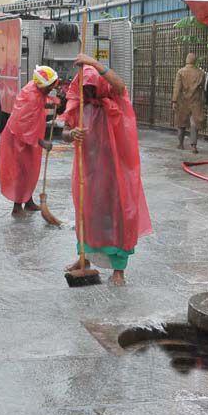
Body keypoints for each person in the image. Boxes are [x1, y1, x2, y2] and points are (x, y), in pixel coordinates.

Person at [52, 55, 152, 286]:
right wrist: (71, 135)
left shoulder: (114, 98)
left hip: (117, 171)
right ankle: (83, 258)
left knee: (119, 215)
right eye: (83, 88)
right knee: (86, 212)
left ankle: (119, 269)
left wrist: (93, 63)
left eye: (89, 87)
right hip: (88, 170)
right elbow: (65, 133)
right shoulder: (77, 105)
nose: (86, 92)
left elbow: (120, 84)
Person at [0, 65, 59, 216]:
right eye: (50, 87)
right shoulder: (31, 97)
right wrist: (43, 143)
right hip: (18, 140)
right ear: (42, 86)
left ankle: (29, 201)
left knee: (31, 170)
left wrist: (52, 102)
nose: (52, 88)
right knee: (22, 172)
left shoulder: (35, 87)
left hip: (31, 137)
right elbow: (22, 129)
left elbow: (41, 100)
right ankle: (17, 207)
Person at [171, 52, 206, 153]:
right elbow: (203, 89)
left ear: (187, 60)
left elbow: (177, 88)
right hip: (196, 101)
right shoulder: (201, 73)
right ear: (195, 61)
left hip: (183, 101)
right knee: (194, 123)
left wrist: (174, 100)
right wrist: (204, 101)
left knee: (181, 122)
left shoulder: (181, 72)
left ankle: (180, 144)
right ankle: (194, 146)